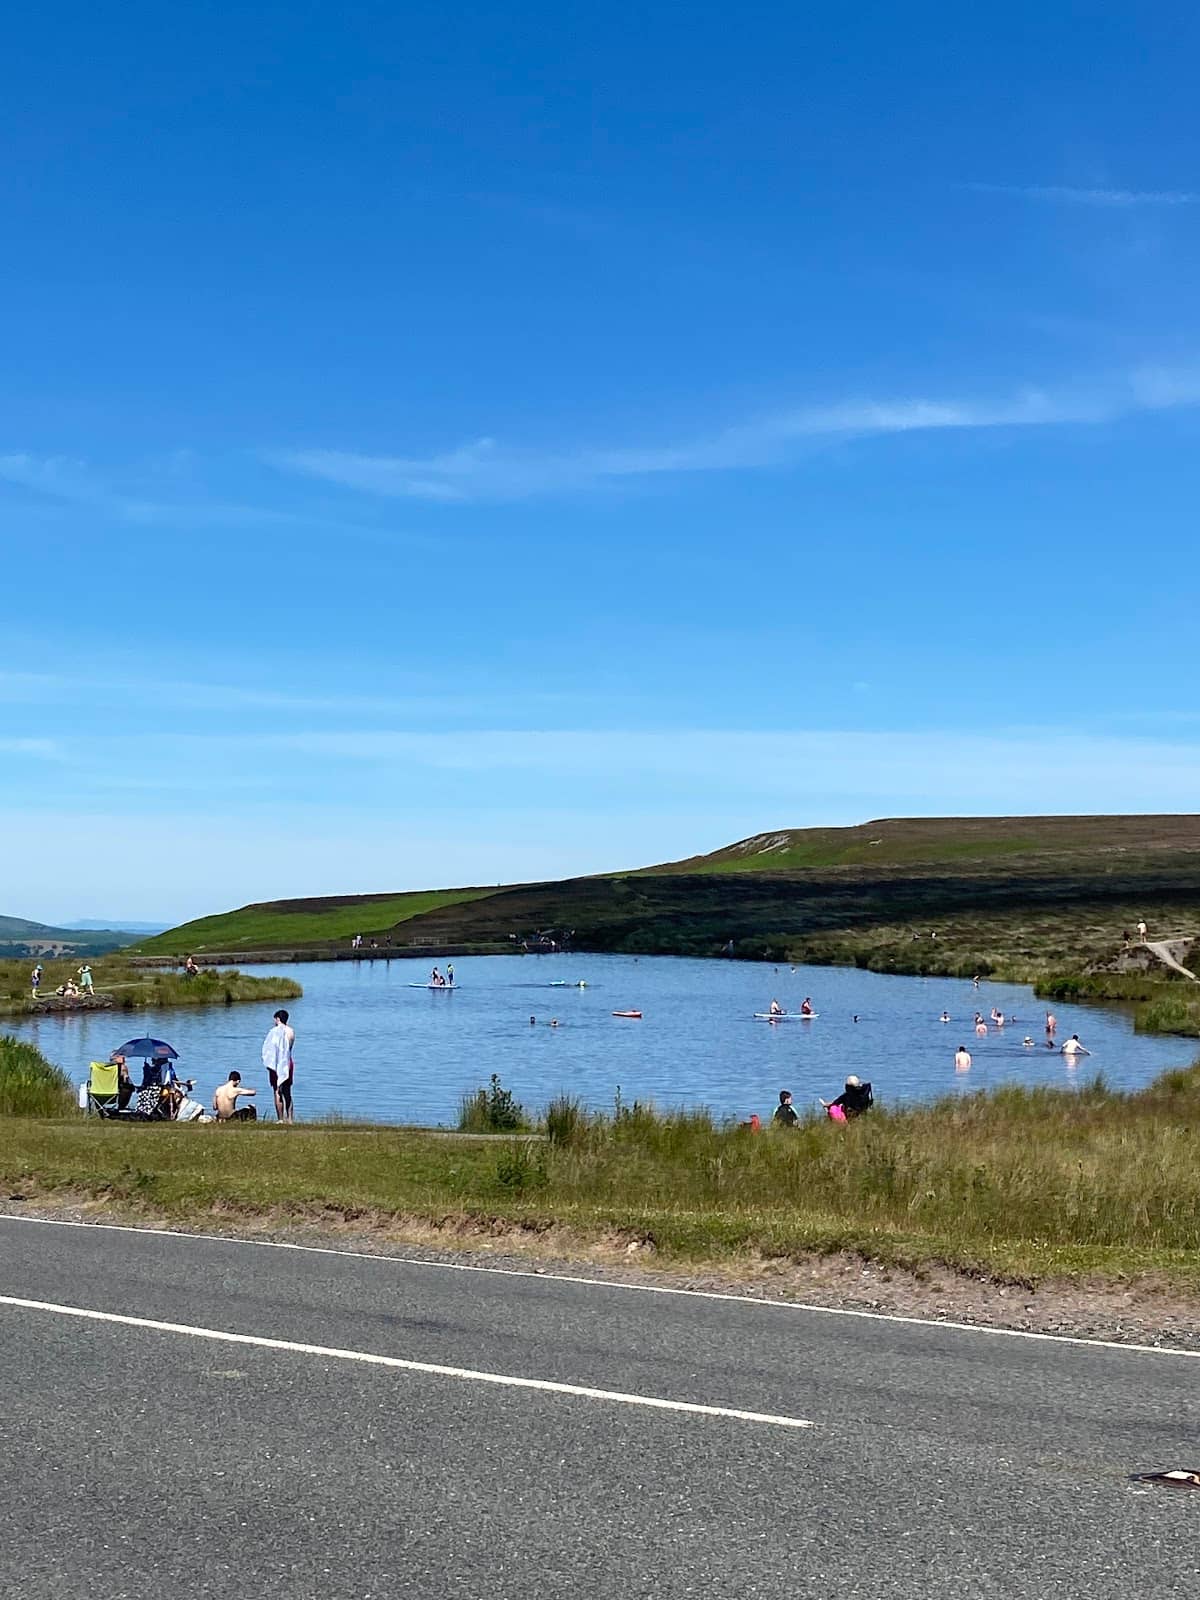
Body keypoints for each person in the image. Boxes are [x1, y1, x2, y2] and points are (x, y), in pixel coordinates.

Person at [262, 1008, 295, 1122]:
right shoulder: (291, 1031)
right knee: (287, 1091)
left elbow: (270, 1049)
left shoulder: (274, 1032)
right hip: (288, 1062)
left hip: (276, 1064)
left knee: (277, 1091)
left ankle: (280, 1119)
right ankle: (290, 1119)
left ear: (277, 1019)